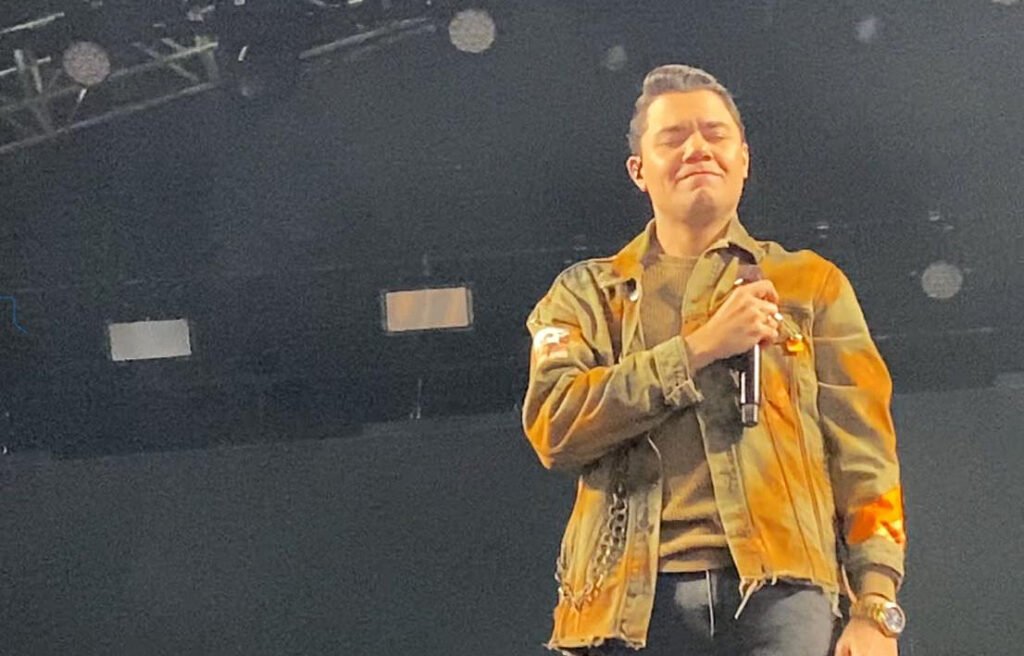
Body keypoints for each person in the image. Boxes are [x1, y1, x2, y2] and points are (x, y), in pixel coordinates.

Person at [521, 64, 907, 656]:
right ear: (639, 170)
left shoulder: (810, 284)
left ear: (743, 159)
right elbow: (554, 424)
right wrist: (700, 347)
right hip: (626, 606)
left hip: (784, 598)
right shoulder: (587, 294)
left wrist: (875, 607)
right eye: (673, 138)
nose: (697, 148)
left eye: (715, 134)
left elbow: (865, 456)